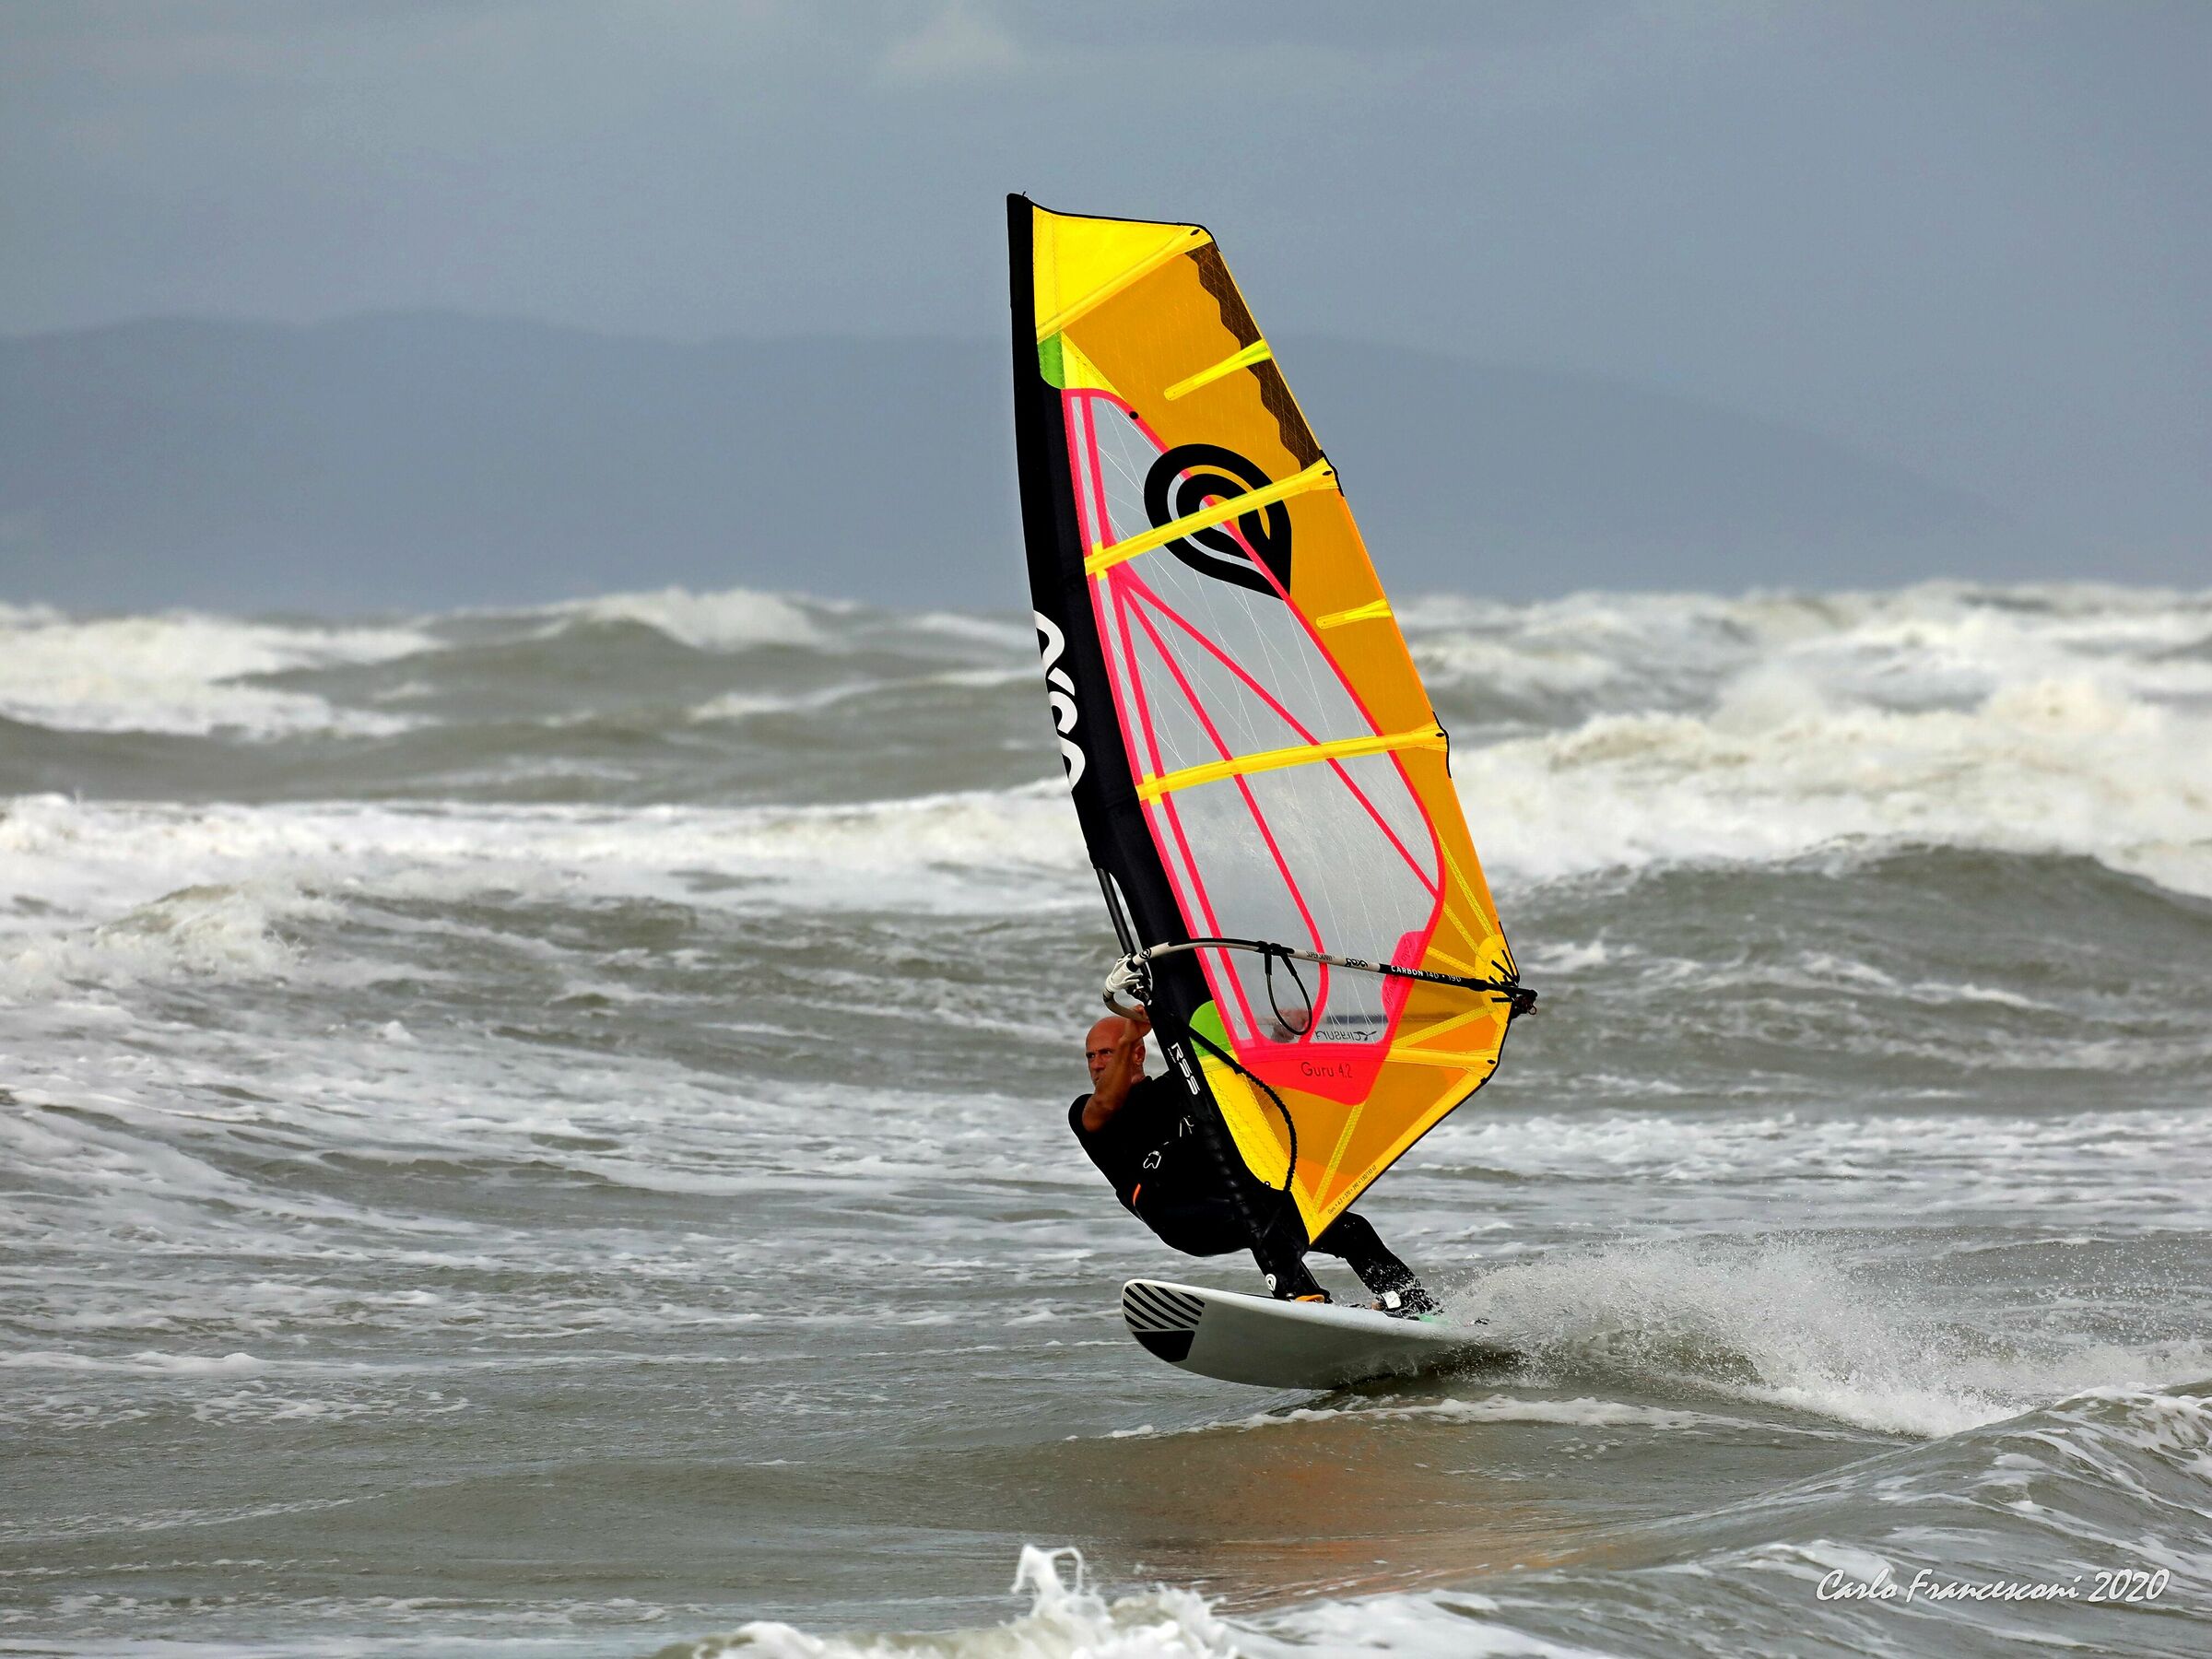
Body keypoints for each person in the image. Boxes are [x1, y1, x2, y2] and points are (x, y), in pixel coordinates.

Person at [1069, 1006, 1439, 1313]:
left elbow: (1247, 1072)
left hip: (1230, 1199)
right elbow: (1107, 1102)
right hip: (1177, 1216)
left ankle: (1416, 1308)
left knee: (1349, 1228)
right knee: (1260, 1216)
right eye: (1091, 1055)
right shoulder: (1089, 1113)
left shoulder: (1182, 1087)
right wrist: (1129, 1035)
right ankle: (1304, 1301)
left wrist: (1281, 1032)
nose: (1097, 1063)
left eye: (1107, 1053)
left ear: (1137, 1055)